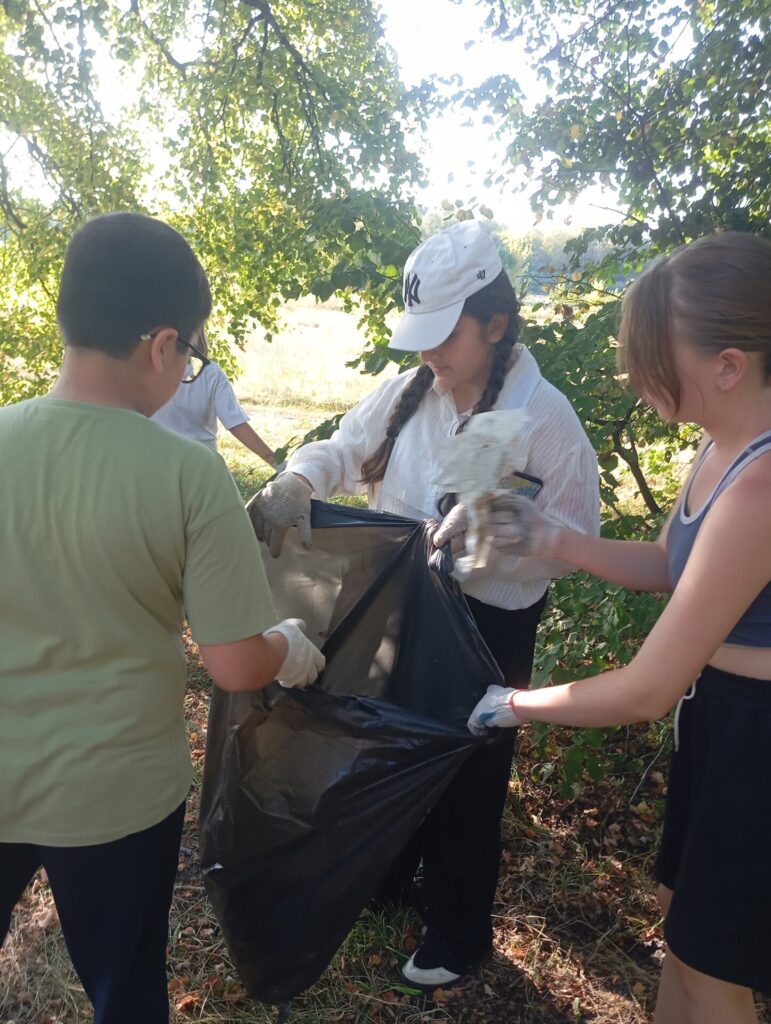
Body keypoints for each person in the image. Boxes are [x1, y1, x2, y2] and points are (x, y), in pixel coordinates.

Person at [247, 219, 600, 988]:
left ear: (495, 323)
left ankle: (458, 927)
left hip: (488, 624)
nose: (429, 355)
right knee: (388, 742)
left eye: (445, 337)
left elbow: (579, 544)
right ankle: (387, 878)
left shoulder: (544, 420)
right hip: (398, 605)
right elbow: (346, 447)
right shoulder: (409, 391)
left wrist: (507, 535)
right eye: (423, 337)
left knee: (469, 772)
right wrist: (301, 479)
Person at [0, 212, 325, 1024]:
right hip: (116, 796)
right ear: (161, 345)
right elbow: (232, 664)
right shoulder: (187, 474)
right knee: (124, 988)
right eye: (189, 358)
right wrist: (288, 643)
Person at [467, 232, 771, 1024]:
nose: (635, 381)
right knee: (682, 930)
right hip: (717, 721)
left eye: (649, 361)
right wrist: (551, 539)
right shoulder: (721, 449)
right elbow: (676, 565)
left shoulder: (759, 488)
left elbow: (644, 689)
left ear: (726, 366)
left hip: (757, 742)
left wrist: (511, 703)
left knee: (713, 970)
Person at [152, 330, 277, 467]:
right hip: (202, 463)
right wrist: (277, 463)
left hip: (159, 462)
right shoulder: (211, 372)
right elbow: (236, 422)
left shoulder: (146, 372)